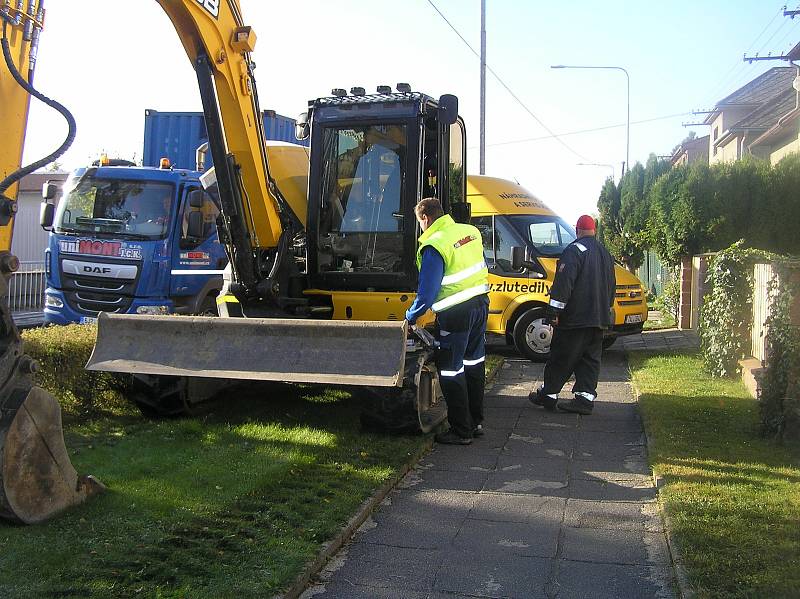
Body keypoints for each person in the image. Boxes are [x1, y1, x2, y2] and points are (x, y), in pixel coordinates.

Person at [406, 197, 490, 444]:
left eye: (419, 222)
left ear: (425, 218)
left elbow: (427, 292)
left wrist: (410, 316)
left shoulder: (434, 244)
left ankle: (461, 431)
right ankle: (475, 422)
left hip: (456, 313)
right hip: (480, 305)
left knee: (451, 371)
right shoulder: (470, 232)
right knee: (474, 365)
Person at [529, 214, 616, 415]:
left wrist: (554, 311)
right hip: (599, 318)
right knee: (590, 359)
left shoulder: (574, 251)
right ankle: (584, 399)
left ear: (577, 231)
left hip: (576, 317)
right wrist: (606, 309)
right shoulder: (604, 253)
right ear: (594, 231)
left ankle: (549, 394)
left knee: (562, 355)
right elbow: (611, 285)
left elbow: (564, 283)